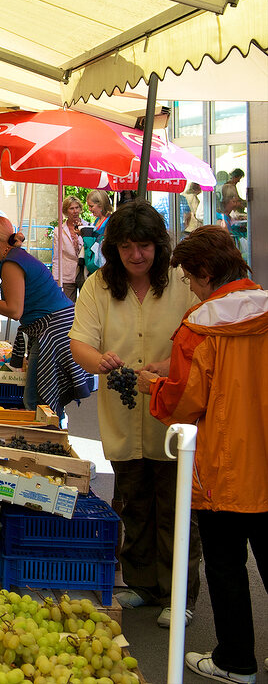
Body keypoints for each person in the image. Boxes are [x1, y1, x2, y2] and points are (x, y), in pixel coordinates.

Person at [134, 226, 268, 684]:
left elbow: (183, 403)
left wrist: (154, 385)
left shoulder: (200, 326)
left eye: (190, 278)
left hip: (223, 465)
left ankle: (236, 661)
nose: (189, 286)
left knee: (226, 565)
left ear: (206, 272)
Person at [67, 199, 201, 628]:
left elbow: (203, 341)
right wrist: (98, 360)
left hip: (174, 415)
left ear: (159, 247)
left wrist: (171, 367)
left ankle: (179, 594)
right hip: (123, 416)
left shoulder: (182, 281)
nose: (136, 255)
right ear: (114, 249)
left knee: (177, 510)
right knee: (134, 504)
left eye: (144, 246)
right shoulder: (99, 286)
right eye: (127, 247)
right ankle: (144, 585)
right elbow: (80, 343)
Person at [0, 216, 90, 418]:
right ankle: (53, 434)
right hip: (57, 327)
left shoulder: (11, 262)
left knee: (37, 401)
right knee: (42, 401)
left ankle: (50, 440)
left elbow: (14, 310)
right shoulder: (15, 256)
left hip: (53, 331)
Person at [51, 195, 84, 301]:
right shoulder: (59, 230)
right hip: (67, 275)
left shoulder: (88, 226)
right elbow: (57, 255)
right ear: (66, 211)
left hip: (84, 273)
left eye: (77, 207)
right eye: (71, 208)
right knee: (68, 307)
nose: (75, 211)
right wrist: (56, 277)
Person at [81, 189, 114, 274]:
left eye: (91, 206)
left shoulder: (110, 220)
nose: (89, 209)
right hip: (94, 263)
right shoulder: (97, 220)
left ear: (101, 204)